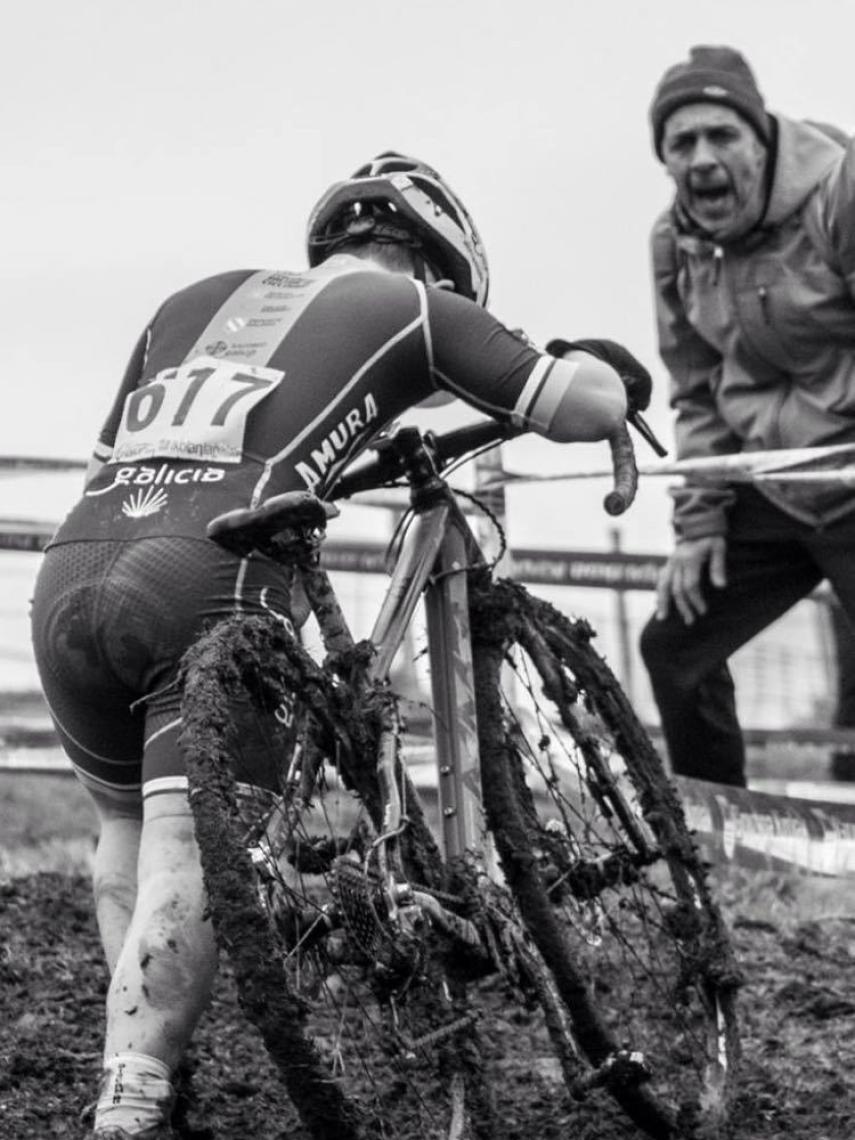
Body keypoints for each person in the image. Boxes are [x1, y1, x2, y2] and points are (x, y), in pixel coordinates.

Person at [31, 151, 653, 1140]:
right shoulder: (415, 309)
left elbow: (118, 453)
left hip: (73, 566)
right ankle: (133, 1099)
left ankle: (143, 1074)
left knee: (127, 841)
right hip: (212, 575)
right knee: (186, 853)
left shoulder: (194, 297)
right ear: (442, 265)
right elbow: (572, 405)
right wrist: (611, 379)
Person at [638, 45, 855, 788]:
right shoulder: (674, 246)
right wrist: (698, 521)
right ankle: (717, 854)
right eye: (681, 142)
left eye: (721, 136)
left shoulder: (838, 196)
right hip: (773, 488)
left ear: (761, 141)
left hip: (852, 473)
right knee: (674, 647)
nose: (701, 158)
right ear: (663, 159)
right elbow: (695, 389)